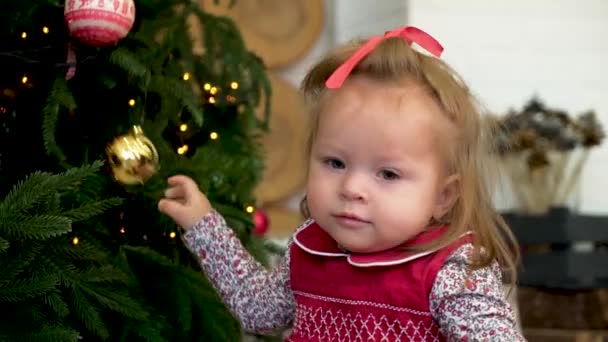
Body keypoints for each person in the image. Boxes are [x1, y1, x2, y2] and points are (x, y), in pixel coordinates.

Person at [159, 26, 525, 341]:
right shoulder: (309, 248)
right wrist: (204, 224)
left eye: (388, 174)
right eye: (335, 163)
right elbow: (261, 312)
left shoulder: (449, 271)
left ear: (443, 196)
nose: (352, 187)